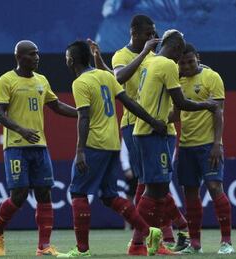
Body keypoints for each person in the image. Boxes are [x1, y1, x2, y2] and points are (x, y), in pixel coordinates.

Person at [91, 14, 189, 253]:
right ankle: (166, 231)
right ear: (134, 33)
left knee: (154, 182)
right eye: (148, 33)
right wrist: (144, 52)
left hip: (160, 125)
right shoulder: (122, 55)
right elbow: (119, 78)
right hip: (135, 124)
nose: (152, 37)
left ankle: (160, 235)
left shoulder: (159, 58)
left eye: (154, 33)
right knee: (150, 182)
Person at [59, 40, 166, 257]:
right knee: (108, 195)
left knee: (78, 192)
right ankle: (149, 231)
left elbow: (84, 117)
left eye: (66, 58)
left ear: (70, 60)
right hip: (112, 143)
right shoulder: (106, 76)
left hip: (94, 145)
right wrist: (152, 120)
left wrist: (80, 151)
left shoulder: (80, 82)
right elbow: (129, 102)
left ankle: (82, 250)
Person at [133, 29, 218, 253]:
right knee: (153, 190)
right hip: (154, 133)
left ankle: (156, 240)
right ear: (178, 50)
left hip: (145, 131)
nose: (180, 63)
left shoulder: (149, 62)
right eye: (180, 58)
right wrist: (206, 105)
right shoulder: (168, 65)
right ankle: (137, 242)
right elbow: (181, 102)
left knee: (158, 189)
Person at [0, 40, 77, 256]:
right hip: (16, 146)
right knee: (18, 195)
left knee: (44, 194)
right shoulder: (6, 80)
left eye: (37, 53)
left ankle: (44, 246)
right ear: (19, 57)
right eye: (32, 54)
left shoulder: (42, 80)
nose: (37, 57)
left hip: (39, 146)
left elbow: (56, 105)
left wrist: (82, 112)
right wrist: (22, 130)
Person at [170, 43, 234, 254]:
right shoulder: (176, 81)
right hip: (186, 145)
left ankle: (226, 242)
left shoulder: (212, 78)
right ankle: (195, 244)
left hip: (208, 145)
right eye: (182, 63)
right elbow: (177, 115)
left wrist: (217, 143)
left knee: (215, 188)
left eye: (190, 61)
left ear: (198, 58)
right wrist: (155, 120)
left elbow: (219, 112)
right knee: (190, 194)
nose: (187, 66)